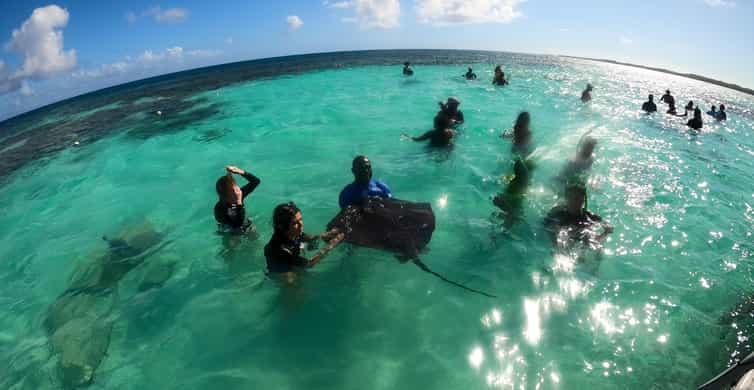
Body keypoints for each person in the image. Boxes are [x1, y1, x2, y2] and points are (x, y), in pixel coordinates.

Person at [264, 202, 343, 274]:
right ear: (282, 226)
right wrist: (330, 246)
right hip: (282, 271)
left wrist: (326, 234)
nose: (301, 224)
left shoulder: (293, 232)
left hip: (291, 259)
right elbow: (309, 264)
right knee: (292, 281)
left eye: (300, 219)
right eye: (295, 223)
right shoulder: (280, 249)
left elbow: (310, 238)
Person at [544, 181, 613, 248]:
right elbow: (546, 227)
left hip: (581, 241)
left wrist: (602, 236)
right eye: (571, 197)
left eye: (577, 198)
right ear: (566, 198)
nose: (574, 201)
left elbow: (609, 228)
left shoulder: (589, 217)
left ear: (583, 199)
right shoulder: (556, 215)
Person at [214, 165, 261, 233]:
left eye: (237, 187)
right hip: (229, 229)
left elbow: (256, 181)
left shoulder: (237, 194)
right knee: (234, 240)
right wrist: (239, 201)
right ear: (225, 196)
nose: (238, 191)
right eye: (233, 190)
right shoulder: (225, 207)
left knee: (253, 231)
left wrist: (240, 171)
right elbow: (238, 223)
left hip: (238, 221)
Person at [493, 159, 530, 227]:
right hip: (513, 205)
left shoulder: (519, 181)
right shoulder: (522, 179)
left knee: (508, 218)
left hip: (512, 206)